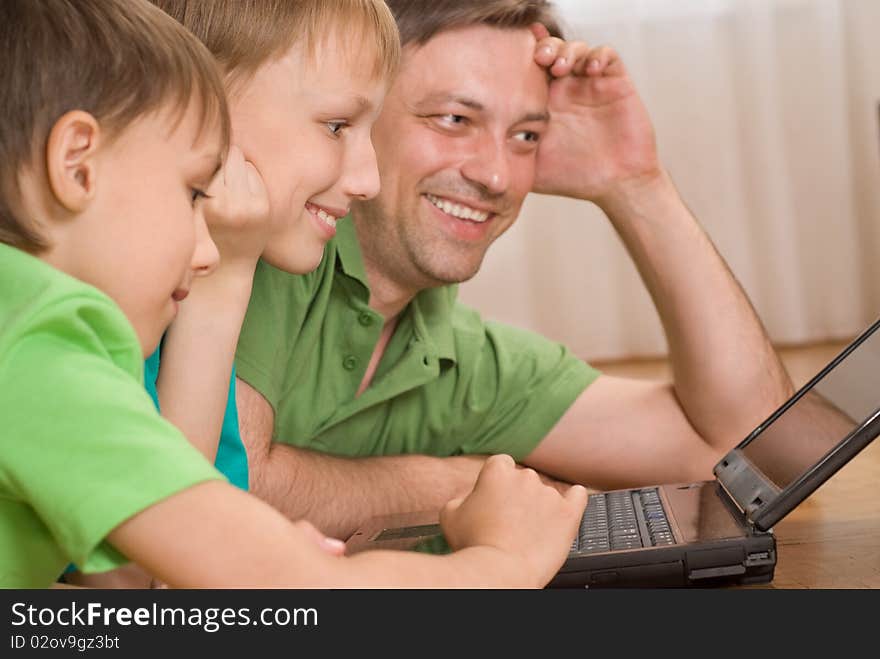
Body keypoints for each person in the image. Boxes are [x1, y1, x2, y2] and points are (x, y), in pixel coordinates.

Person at [0, 0, 586, 589]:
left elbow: (129, 587)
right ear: (77, 164)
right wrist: (505, 563)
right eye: (192, 190)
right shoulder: (36, 344)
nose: (367, 179)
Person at [234, 0, 795, 540]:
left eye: (525, 136)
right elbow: (224, 485)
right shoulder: (264, 251)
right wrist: (455, 483)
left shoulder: (464, 357)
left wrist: (634, 183)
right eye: (454, 119)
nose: (497, 175)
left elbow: (763, 459)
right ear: (359, 115)